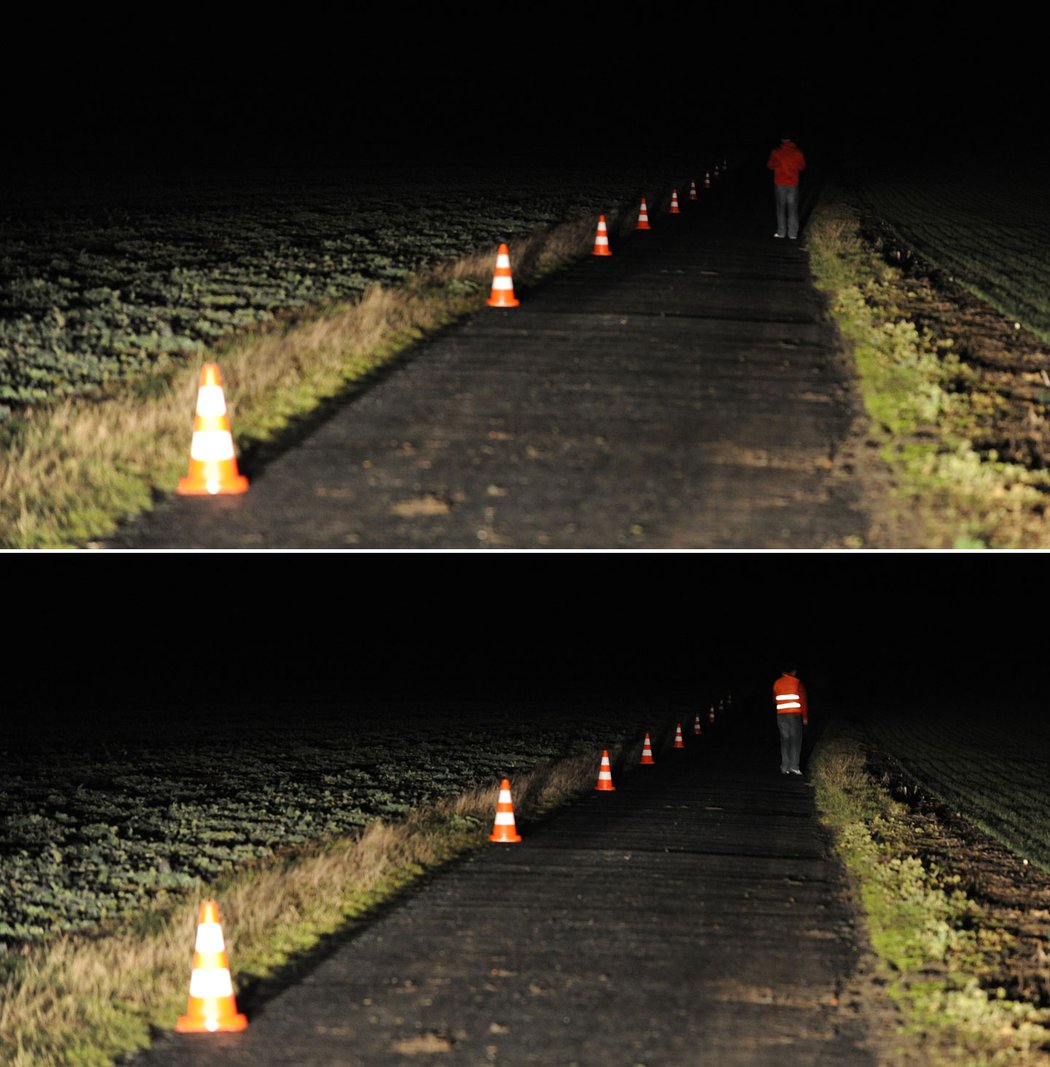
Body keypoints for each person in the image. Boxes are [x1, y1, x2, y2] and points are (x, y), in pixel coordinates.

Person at [767, 134, 806, 240]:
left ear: (782, 140)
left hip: (780, 182)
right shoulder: (798, 152)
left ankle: (781, 232)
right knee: (793, 209)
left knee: (780, 208)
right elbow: (802, 166)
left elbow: (770, 165)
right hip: (793, 183)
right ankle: (792, 233)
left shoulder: (776, 152)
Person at [773, 664, 808, 774]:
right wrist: (805, 717)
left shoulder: (777, 683)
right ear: (793, 671)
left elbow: (775, 699)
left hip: (781, 715)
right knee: (795, 740)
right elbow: (803, 701)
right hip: (794, 715)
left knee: (785, 740)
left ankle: (785, 767)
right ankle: (794, 766)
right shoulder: (797, 683)